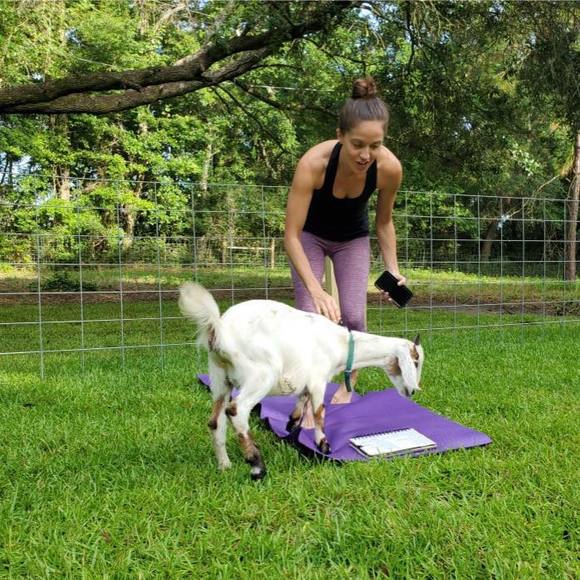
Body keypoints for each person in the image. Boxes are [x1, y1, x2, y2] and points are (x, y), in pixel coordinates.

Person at [284, 76, 406, 409]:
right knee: (310, 316)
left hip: (352, 239)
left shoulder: (389, 169)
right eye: (357, 144)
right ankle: (309, 394)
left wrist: (393, 270)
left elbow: (384, 222)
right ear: (340, 136)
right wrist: (317, 290)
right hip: (309, 237)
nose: (366, 154)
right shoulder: (313, 164)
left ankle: (349, 384)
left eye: (375, 145)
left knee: (353, 318)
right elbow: (291, 235)